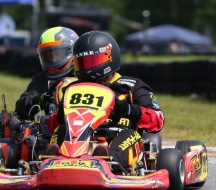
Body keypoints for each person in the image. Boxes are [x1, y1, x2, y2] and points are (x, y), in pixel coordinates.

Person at [48, 31, 165, 171]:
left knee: (129, 135)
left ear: (108, 58)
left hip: (118, 133)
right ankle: (52, 159)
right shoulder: (72, 88)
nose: (86, 68)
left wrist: (128, 110)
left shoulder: (131, 86)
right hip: (79, 136)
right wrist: (61, 114)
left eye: (90, 62)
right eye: (81, 63)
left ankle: (107, 161)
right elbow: (51, 126)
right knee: (59, 130)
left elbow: (158, 120)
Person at [15, 26, 79, 120]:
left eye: (56, 55)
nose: (52, 61)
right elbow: (21, 109)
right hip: (56, 129)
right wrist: (43, 99)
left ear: (72, 50)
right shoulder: (43, 79)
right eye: (47, 57)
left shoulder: (84, 74)